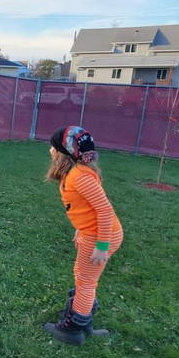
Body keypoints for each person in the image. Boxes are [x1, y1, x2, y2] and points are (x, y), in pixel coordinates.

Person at [43, 126, 123, 346]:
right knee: (82, 275)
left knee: (86, 281)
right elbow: (85, 207)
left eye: (54, 146)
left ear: (64, 152)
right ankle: (82, 316)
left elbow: (105, 211)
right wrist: (80, 227)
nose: (50, 149)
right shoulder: (75, 172)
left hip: (101, 235)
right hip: (92, 232)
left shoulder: (79, 176)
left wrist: (102, 246)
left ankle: (73, 328)